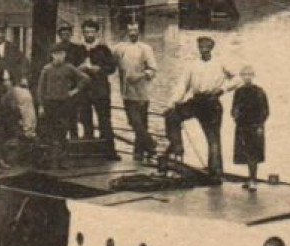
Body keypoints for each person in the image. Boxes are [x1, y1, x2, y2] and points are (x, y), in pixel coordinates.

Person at [163, 36, 240, 177]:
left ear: (211, 48)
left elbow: (237, 79)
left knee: (213, 137)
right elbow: (183, 85)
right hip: (196, 101)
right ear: (198, 48)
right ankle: (177, 149)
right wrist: (173, 103)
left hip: (211, 102)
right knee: (172, 116)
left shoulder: (220, 63)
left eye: (206, 47)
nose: (203, 50)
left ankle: (215, 171)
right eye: (201, 47)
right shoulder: (192, 65)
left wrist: (222, 89)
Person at [112, 20, 159, 160]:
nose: (132, 33)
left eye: (135, 30)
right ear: (126, 32)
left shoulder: (145, 48)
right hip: (126, 92)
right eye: (130, 30)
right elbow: (109, 61)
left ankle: (140, 152)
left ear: (139, 32)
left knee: (140, 123)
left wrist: (140, 76)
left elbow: (153, 69)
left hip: (142, 92)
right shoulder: (120, 48)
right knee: (134, 122)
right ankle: (149, 146)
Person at [36, 43, 90, 149]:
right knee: (50, 129)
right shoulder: (46, 69)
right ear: (52, 55)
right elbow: (40, 88)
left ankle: (62, 157)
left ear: (65, 55)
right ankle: (52, 158)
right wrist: (41, 105)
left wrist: (75, 90)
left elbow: (85, 78)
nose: (59, 57)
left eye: (61, 54)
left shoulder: (69, 67)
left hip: (64, 103)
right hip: (50, 103)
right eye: (56, 54)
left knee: (63, 129)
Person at [76, 18, 117, 145]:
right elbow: (70, 68)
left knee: (104, 119)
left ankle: (108, 148)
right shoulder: (78, 49)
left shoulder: (103, 49)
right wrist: (79, 68)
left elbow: (112, 68)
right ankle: (89, 145)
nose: (89, 35)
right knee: (85, 118)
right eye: (86, 32)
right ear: (83, 33)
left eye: (91, 32)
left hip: (100, 89)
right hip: (84, 89)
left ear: (96, 33)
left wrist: (99, 69)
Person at [231, 64, 270, 189]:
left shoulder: (259, 91)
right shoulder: (239, 91)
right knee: (245, 153)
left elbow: (265, 111)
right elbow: (234, 107)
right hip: (242, 126)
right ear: (241, 77)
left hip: (255, 126)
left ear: (253, 76)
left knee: (253, 154)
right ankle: (250, 179)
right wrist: (235, 115)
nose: (247, 77)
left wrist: (260, 125)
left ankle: (253, 180)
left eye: (249, 75)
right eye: (244, 75)